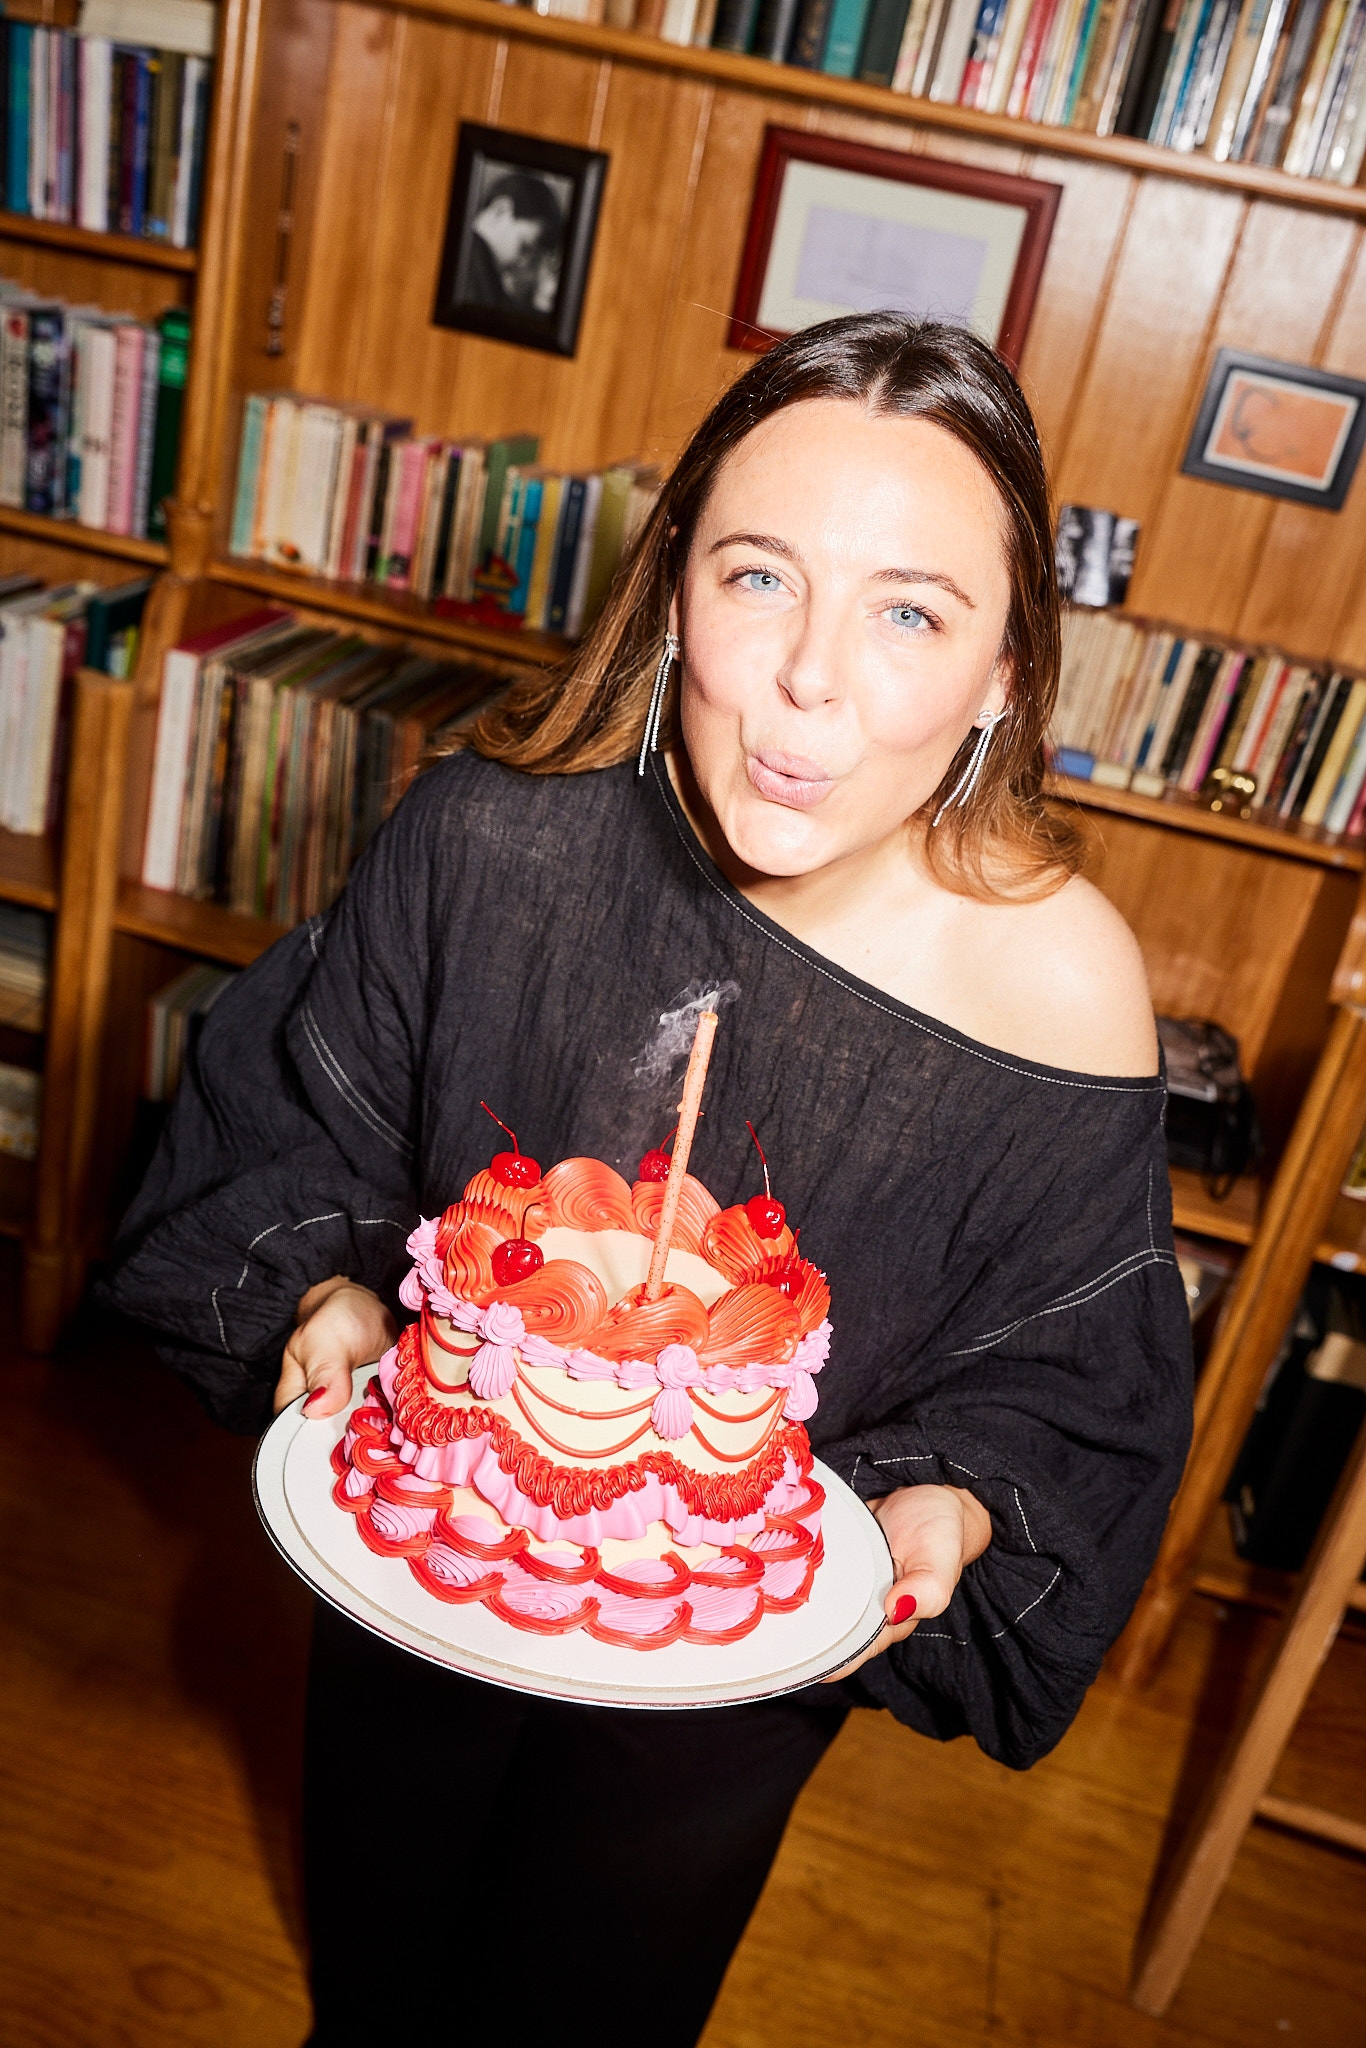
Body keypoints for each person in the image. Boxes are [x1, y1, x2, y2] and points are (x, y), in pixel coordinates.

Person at [106, 315, 1192, 2048]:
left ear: (1003, 671)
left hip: (733, 1678)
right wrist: (332, 1294)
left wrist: (956, 1506)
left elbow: (1068, 1376)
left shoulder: (1063, 982)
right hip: (430, 1565)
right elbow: (298, 1119)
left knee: (586, 2010)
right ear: (677, 585)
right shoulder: (488, 837)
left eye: (909, 611)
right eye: (761, 578)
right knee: (376, 1969)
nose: (809, 680)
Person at [462, 169, 562, 311]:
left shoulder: (486, 272)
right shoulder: (472, 263)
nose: (523, 263)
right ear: (500, 210)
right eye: (524, 247)